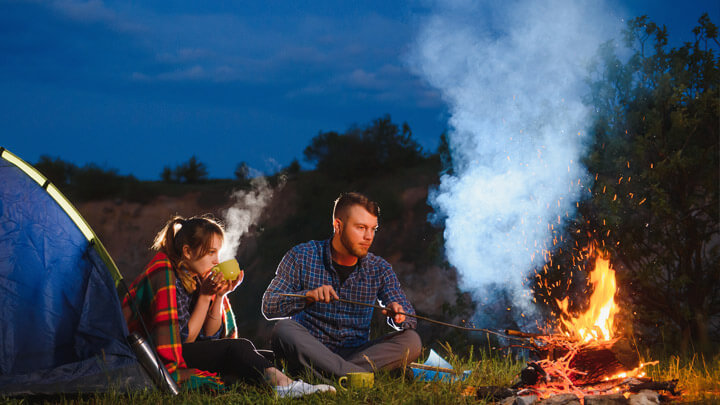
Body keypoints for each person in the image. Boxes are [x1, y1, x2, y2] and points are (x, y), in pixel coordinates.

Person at [122, 215, 335, 397]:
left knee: (264, 357)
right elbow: (182, 341)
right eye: (211, 253)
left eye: (218, 253)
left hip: (184, 351)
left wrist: (220, 296)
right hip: (153, 359)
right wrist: (206, 297)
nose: (217, 260)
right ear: (187, 252)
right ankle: (284, 387)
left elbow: (210, 337)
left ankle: (286, 384)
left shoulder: (196, 278)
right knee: (238, 348)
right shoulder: (165, 274)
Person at [262, 192, 421, 380]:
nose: (368, 236)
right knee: (284, 329)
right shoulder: (301, 256)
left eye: (373, 229)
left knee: (412, 341)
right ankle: (358, 375)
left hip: (357, 353)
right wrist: (308, 296)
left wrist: (399, 314)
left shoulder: (380, 268)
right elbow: (269, 305)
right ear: (338, 225)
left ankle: (336, 375)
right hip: (310, 351)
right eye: (361, 228)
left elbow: (409, 318)